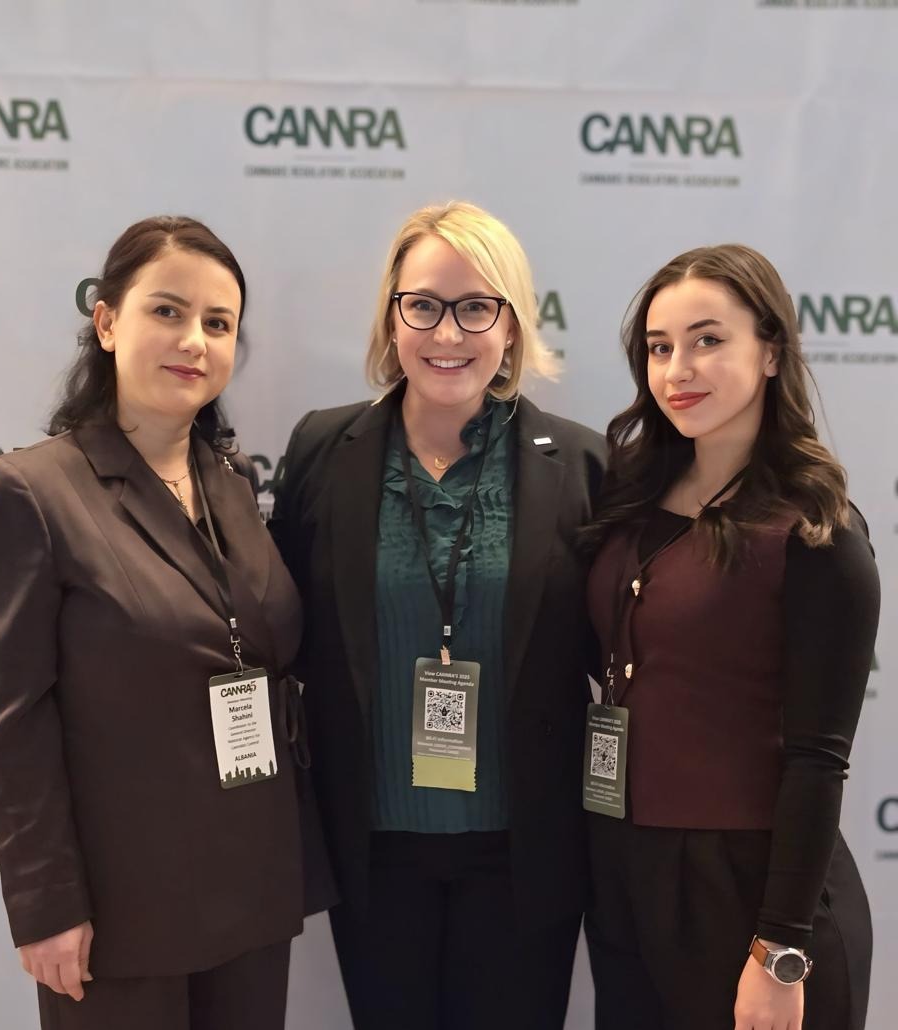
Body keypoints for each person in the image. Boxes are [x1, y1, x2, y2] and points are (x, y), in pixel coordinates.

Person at [0, 216, 317, 1030]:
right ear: (107, 321)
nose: (194, 340)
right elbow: (14, 724)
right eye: (168, 311)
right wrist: (46, 903)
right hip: (120, 910)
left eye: (218, 324)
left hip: (253, 886)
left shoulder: (233, 480)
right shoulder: (30, 493)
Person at [268, 201, 606, 1030]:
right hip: (374, 852)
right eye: (423, 304)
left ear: (512, 326)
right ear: (392, 317)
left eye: (476, 307)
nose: (447, 332)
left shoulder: (583, 464)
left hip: (525, 856)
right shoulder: (322, 451)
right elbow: (285, 627)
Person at [581, 244, 879, 1030]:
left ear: (772, 351)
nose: (678, 369)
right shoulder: (631, 498)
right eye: (659, 347)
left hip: (751, 893)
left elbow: (818, 760)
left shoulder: (816, 534)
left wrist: (780, 949)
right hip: (627, 875)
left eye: (708, 340)